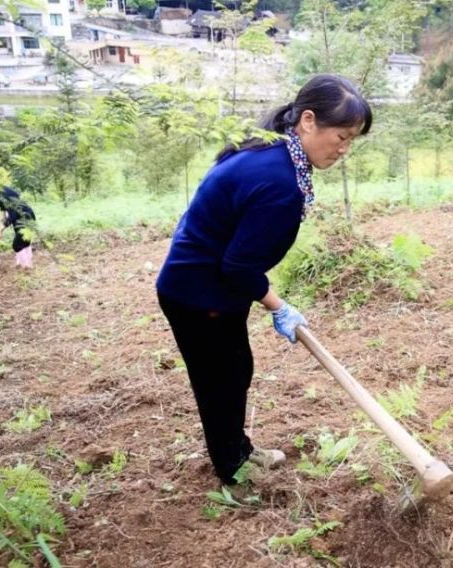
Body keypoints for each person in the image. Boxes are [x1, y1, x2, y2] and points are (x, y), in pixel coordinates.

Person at [155, 74, 372, 491]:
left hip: (206, 284)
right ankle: (233, 469)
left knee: (235, 370)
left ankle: (237, 450)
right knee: (222, 380)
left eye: (352, 141)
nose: (344, 149)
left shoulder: (271, 150)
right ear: (308, 121)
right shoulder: (280, 184)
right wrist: (279, 306)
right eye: (341, 136)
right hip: (199, 293)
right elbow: (238, 266)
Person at [0, 185, 36, 269]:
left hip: (25, 217)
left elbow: (12, 216)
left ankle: (27, 266)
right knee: (23, 240)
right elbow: (2, 206)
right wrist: (2, 215)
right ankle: (19, 263)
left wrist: (0, 230)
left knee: (17, 244)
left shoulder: (8, 196)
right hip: (19, 217)